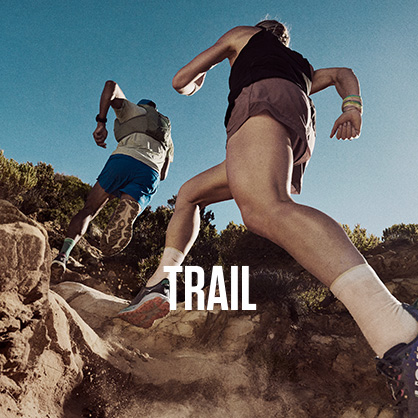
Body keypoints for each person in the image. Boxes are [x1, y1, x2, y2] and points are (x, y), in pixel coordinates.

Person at [117, 20, 418, 415]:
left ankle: (398, 331)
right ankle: (161, 284)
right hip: (291, 115)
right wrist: (352, 108)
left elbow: (180, 81)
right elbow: (344, 73)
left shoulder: (243, 35)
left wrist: (201, 79)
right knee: (190, 194)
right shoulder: (302, 67)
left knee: (265, 208)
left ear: (262, 31)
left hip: (259, 104)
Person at [51, 80, 174, 279]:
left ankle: (63, 256)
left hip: (123, 160)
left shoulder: (135, 110)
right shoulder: (167, 134)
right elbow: (164, 174)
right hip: (150, 172)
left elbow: (111, 85)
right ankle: (127, 204)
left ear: (143, 105)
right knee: (129, 200)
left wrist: (101, 122)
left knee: (89, 209)